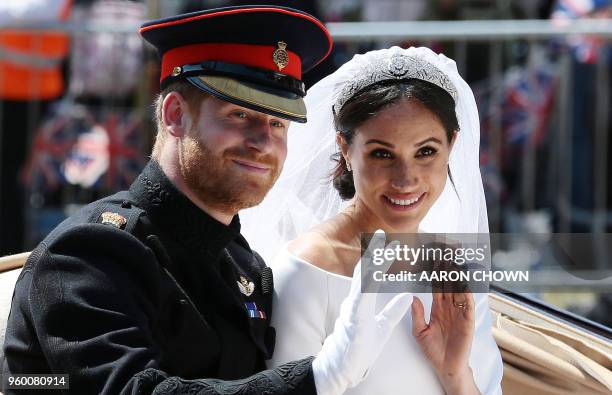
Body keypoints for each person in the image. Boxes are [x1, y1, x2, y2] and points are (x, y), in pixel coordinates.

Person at [1, 6, 414, 394]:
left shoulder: (242, 263)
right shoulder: (89, 254)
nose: (263, 142)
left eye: (277, 123)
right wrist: (318, 378)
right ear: (175, 114)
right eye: (240, 115)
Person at [241, 46, 504, 394]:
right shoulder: (309, 267)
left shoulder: (453, 263)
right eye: (382, 153)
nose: (405, 178)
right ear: (346, 149)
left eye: (426, 151)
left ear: (451, 145)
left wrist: (454, 373)